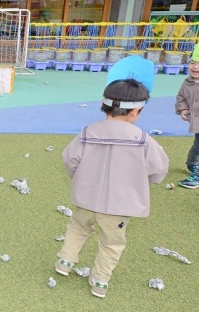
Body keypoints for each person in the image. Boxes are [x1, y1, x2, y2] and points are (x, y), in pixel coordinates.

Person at [56, 57, 168, 298]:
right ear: (136, 111)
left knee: (78, 227)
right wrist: (142, 183)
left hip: (87, 198)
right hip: (119, 205)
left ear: (103, 105)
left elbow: (70, 159)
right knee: (112, 243)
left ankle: (65, 261)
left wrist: (79, 178)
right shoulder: (143, 139)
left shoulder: (87, 132)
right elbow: (158, 169)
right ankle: (100, 281)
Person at [175, 47, 199, 188]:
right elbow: (181, 97)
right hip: (196, 123)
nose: (195, 67)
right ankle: (192, 164)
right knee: (197, 146)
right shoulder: (187, 82)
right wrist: (183, 108)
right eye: (192, 63)